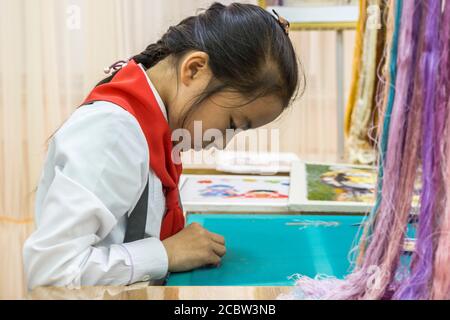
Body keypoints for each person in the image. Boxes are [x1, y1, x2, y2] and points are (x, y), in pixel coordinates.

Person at [23, 2, 301, 289]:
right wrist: (165, 253)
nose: (223, 141)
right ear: (194, 70)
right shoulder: (113, 132)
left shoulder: (155, 125)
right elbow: (51, 271)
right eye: (232, 123)